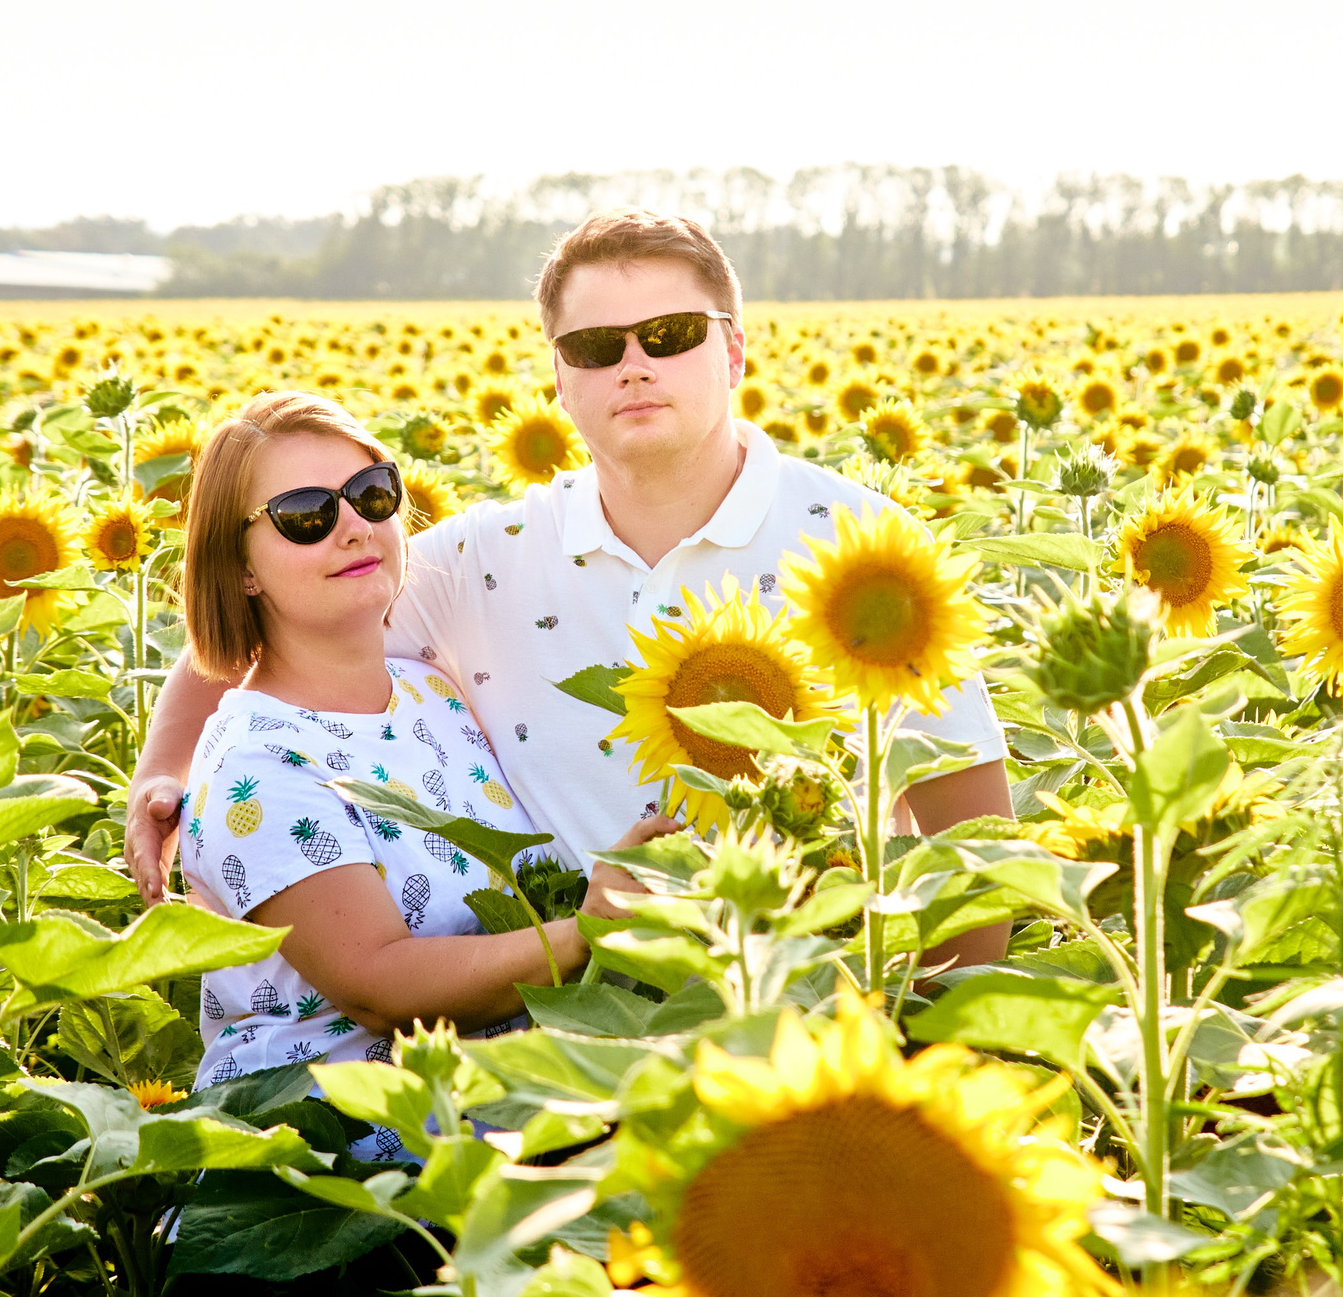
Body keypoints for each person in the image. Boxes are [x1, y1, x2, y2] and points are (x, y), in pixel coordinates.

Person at [128, 209, 1013, 968]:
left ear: (734, 349)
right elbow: (269, 624)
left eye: (668, 335)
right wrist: (164, 774)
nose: (634, 365)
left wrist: (925, 1027)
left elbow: (970, 842)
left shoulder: (870, 550)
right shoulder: (486, 556)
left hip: (804, 1006)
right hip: (565, 1026)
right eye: (596, 346)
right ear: (560, 377)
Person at [168, 390, 670, 1134]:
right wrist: (587, 930)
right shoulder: (259, 764)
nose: (352, 528)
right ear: (240, 568)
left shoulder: (432, 691)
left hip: (503, 1130)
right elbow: (377, 982)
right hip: (343, 1176)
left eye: (373, 495)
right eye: (306, 515)